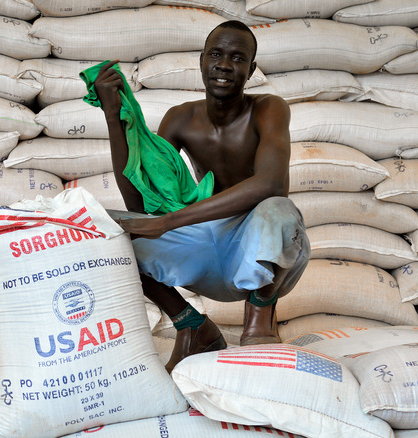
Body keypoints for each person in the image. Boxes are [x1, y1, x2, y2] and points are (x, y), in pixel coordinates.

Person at [92, 20, 311, 373]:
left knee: (278, 210)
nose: (224, 65)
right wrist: (114, 116)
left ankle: (260, 317)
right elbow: (144, 204)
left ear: (251, 70)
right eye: (216, 54)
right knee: (112, 236)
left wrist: (169, 222)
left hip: (259, 249)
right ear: (201, 61)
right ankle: (193, 327)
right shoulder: (181, 118)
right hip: (205, 244)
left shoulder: (269, 108)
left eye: (238, 58)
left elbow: (270, 183)